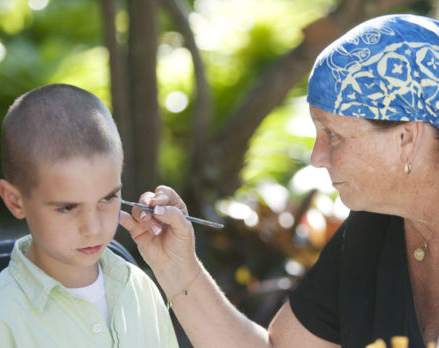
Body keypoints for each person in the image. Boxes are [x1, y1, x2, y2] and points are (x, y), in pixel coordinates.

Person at [119, 14, 439, 348]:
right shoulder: (372, 230)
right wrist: (178, 267)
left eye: (333, 134)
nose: (317, 157)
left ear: (406, 139)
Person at [0, 84, 178, 347]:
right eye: (67, 208)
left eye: (107, 198)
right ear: (16, 201)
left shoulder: (140, 288)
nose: (93, 228)